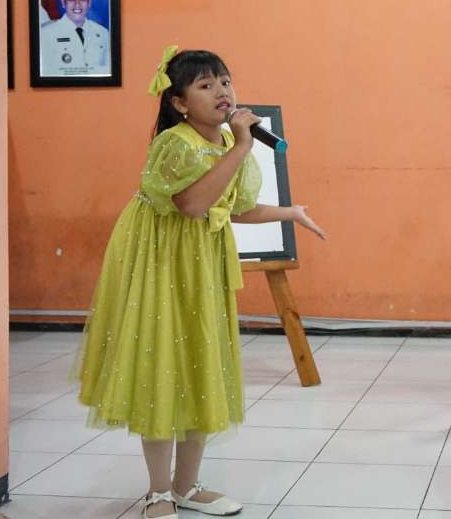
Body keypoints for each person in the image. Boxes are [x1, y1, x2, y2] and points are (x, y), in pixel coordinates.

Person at [77, 47, 327, 519]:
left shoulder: (229, 148)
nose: (223, 92)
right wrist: (240, 147)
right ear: (179, 103)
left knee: (199, 364)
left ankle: (187, 486)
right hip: (162, 265)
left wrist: (289, 212)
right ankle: (157, 492)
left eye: (226, 82)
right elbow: (192, 204)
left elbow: (233, 208)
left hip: (202, 266)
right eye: (206, 85)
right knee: (162, 366)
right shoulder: (176, 144)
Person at [39, 0, 110, 76]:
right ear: (63, 2)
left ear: (89, 2)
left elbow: (108, 71)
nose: (77, 5)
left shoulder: (103, 33)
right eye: (71, 0)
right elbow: (44, 73)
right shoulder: (45, 34)